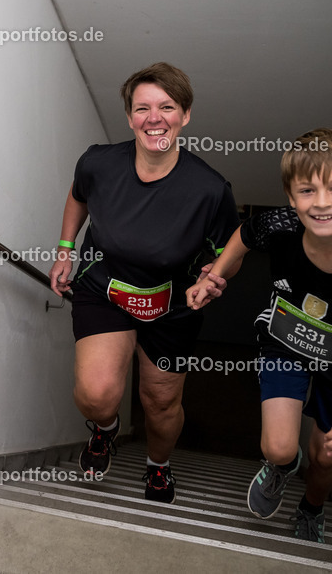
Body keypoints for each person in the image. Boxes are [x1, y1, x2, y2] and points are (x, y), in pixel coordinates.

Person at [185, 128, 332, 541]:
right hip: (284, 345)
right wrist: (216, 274)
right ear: (289, 194)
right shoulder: (280, 225)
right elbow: (244, 236)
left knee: (324, 454)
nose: (320, 203)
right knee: (278, 448)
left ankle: (312, 508)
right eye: (306, 190)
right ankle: (281, 468)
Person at [49, 62, 240, 503]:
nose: (154, 118)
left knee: (159, 405)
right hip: (104, 290)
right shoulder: (98, 162)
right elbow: (78, 196)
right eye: (142, 108)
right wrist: (65, 248)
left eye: (167, 107)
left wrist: (214, 277)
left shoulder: (209, 190)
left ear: (185, 115)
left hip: (172, 307)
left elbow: (230, 250)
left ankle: (158, 466)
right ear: (130, 117)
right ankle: (106, 429)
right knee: (96, 396)